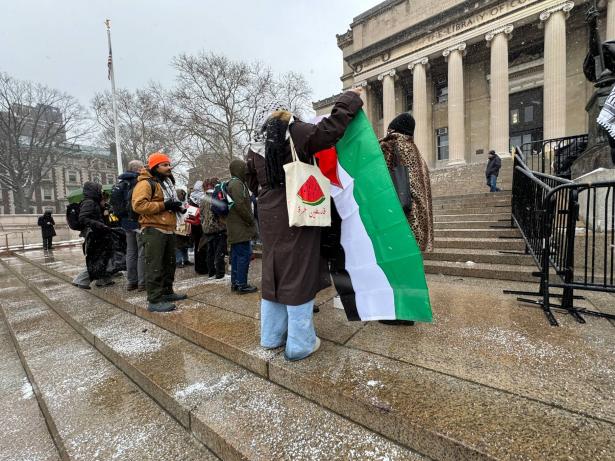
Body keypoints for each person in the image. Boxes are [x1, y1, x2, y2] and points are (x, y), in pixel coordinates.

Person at [246, 88, 363, 361]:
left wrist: (268, 192)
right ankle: (300, 343)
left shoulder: (255, 144)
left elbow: (251, 180)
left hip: (269, 212)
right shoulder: (295, 132)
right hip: (299, 206)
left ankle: (271, 336)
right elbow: (330, 131)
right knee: (298, 271)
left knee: (273, 270)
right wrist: (349, 99)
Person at [379, 112, 434, 326]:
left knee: (396, 267)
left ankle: (397, 314)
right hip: (418, 223)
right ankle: (409, 312)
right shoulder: (416, 152)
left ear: (394, 130)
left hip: (401, 219)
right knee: (410, 268)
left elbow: (376, 174)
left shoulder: (391, 146)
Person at [132, 152, 188, 313]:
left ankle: (167, 291)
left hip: (168, 228)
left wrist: (174, 206)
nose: (169, 168)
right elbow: (139, 205)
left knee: (169, 264)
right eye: (165, 165)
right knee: (155, 265)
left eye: (169, 164)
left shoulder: (164, 183)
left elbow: (166, 203)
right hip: (153, 229)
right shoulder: (145, 184)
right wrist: (164, 205)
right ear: (155, 167)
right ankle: (155, 299)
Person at [72, 182, 115, 289]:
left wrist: (103, 207)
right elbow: (83, 218)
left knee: (104, 256)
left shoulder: (94, 202)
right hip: (96, 234)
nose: (100, 191)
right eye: (98, 189)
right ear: (93, 190)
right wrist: (100, 225)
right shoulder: (89, 202)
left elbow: (95, 215)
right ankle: (81, 280)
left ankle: (104, 280)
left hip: (99, 233)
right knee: (97, 258)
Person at [226, 160, 258, 294]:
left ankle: (236, 283)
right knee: (243, 256)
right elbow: (240, 205)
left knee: (236, 256)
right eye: (244, 169)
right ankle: (242, 284)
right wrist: (251, 220)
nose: (246, 171)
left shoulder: (233, 183)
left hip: (235, 227)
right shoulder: (237, 184)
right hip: (240, 228)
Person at [115, 160, 145, 291]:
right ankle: (142, 282)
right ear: (137, 169)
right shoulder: (137, 182)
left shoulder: (120, 184)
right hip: (137, 221)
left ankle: (131, 281)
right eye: (142, 167)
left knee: (131, 252)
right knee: (141, 252)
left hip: (125, 222)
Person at [201, 177, 227, 279]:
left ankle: (211, 272)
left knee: (210, 251)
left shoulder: (203, 198)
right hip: (218, 228)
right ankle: (220, 274)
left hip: (207, 229)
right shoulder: (216, 196)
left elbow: (202, 214)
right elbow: (219, 212)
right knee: (219, 252)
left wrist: (204, 224)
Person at [187, 181, 207, 274]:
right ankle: (203, 266)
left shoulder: (191, 197)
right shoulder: (202, 196)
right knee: (203, 245)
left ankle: (198, 267)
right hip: (201, 223)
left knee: (197, 245)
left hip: (194, 223)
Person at [174, 188, 192, 268]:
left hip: (185, 224)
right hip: (178, 224)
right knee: (178, 244)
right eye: (182, 194)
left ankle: (185, 259)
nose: (183, 196)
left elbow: (187, 210)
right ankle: (178, 261)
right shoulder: (175, 203)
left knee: (185, 244)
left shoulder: (185, 202)